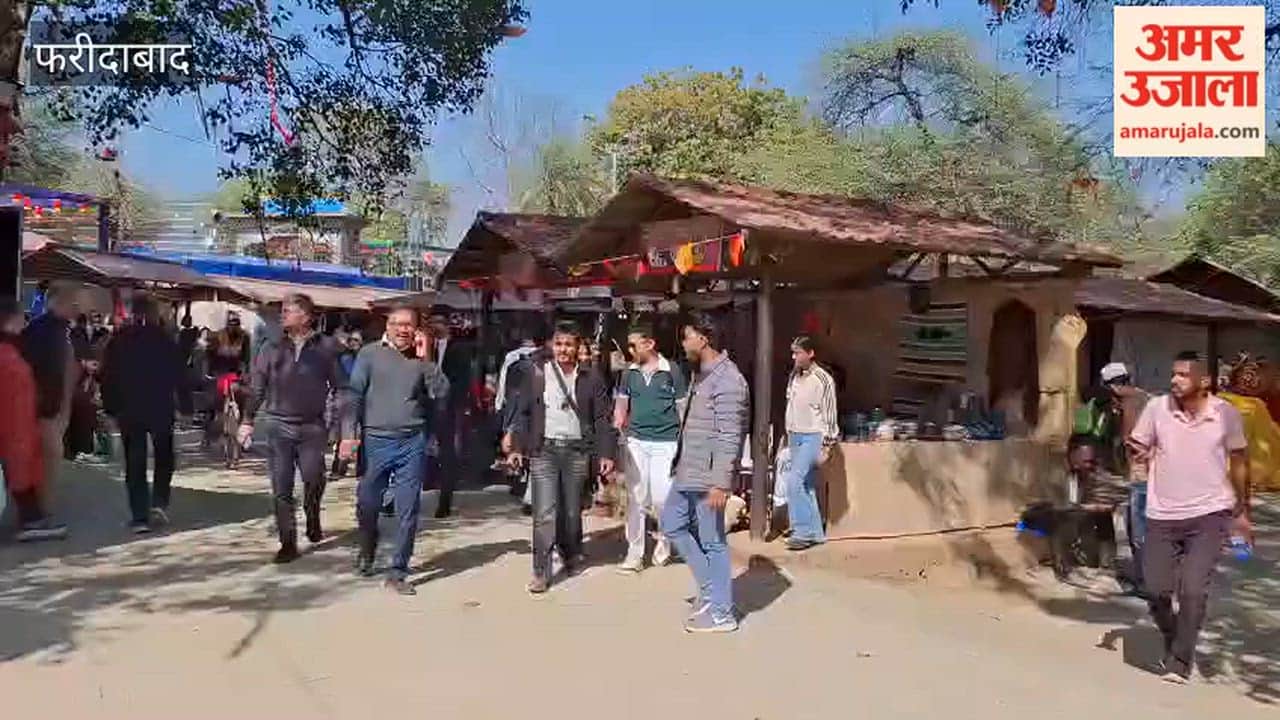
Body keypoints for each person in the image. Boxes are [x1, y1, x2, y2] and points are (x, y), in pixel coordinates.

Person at [1127, 351, 1251, 684]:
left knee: (1193, 590)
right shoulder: (1156, 408)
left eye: (1183, 374)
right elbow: (1137, 442)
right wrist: (1138, 451)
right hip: (1161, 514)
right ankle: (1174, 639)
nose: (1174, 380)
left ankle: (1180, 662)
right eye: (1173, 374)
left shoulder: (1226, 414)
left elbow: (1239, 461)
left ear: (1205, 381)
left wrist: (1242, 510)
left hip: (1209, 514)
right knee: (1155, 589)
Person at [342, 305, 449, 594]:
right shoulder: (369, 354)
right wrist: (347, 435)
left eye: (408, 325)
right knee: (367, 504)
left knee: (408, 508)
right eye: (396, 324)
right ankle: (368, 546)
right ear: (386, 326)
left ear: (416, 329)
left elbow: (440, 392)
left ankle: (397, 572)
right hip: (376, 440)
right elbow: (354, 395)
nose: (402, 330)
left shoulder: (422, 358)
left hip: (411, 441)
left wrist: (427, 358)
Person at [504, 320, 616, 594]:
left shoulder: (591, 378)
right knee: (544, 513)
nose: (563, 349)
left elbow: (602, 418)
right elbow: (523, 413)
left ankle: (571, 552)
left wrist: (606, 453)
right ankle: (541, 571)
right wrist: (517, 447)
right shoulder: (538, 374)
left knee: (570, 509)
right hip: (545, 450)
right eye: (559, 344)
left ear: (578, 348)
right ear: (552, 346)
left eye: (569, 344)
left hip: (577, 450)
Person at [239, 294, 350, 564]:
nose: (283, 315)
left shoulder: (327, 347)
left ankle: (313, 513)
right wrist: (247, 420)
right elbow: (257, 387)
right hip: (279, 425)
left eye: (289, 311)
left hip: (312, 427)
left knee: (314, 479)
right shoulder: (271, 347)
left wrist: (343, 430)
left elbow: (342, 389)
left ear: (306, 316)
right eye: (283, 310)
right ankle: (287, 542)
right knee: (281, 487)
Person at [662, 312, 748, 633]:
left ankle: (723, 612)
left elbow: (729, 435)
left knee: (713, 541)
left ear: (704, 338)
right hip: (689, 469)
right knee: (672, 523)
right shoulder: (705, 374)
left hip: (708, 476)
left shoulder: (729, 380)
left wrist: (720, 483)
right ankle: (712, 592)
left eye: (687, 337)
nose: (683, 344)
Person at [101, 295, 185, 533]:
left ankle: (139, 516)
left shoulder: (119, 339)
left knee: (135, 461)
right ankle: (159, 501)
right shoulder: (166, 340)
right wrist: (186, 406)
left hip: (130, 409)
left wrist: (110, 408)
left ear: (132, 313)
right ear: (154, 313)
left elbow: (108, 376)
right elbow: (180, 375)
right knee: (164, 455)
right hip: (160, 407)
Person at [614, 324, 687, 573]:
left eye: (634, 344)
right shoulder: (628, 373)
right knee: (636, 499)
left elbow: (682, 407)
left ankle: (664, 543)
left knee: (662, 498)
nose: (630, 349)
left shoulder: (672, 371)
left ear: (650, 344)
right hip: (636, 440)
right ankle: (634, 553)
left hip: (666, 441)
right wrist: (619, 424)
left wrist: (685, 441)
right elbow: (622, 404)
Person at [0, 298, 68, 542]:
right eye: (21, 316)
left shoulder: (11, 351)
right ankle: (30, 521)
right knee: (20, 471)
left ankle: (31, 518)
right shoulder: (9, 356)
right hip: (17, 429)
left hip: (18, 427)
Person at [20, 282, 81, 513]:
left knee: (49, 460)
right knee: (47, 460)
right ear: (57, 302)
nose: (76, 307)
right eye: (71, 302)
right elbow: (38, 369)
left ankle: (40, 510)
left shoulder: (59, 330)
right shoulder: (42, 331)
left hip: (53, 408)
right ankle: (38, 513)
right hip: (45, 409)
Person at [782, 336, 838, 551]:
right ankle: (815, 532)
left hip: (813, 435)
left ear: (810, 353)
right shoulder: (794, 376)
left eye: (798, 352)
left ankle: (802, 532)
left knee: (794, 480)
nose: (794, 357)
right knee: (805, 484)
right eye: (793, 352)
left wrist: (828, 445)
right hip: (796, 433)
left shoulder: (823, 379)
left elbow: (830, 413)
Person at [1098, 362, 1151, 594]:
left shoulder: (1130, 403)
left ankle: (1146, 583)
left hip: (1142, 475)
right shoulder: (1148, 398)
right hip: (1159, 475)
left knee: (1138, 530)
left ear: (1114, 386)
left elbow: (1130, 439)